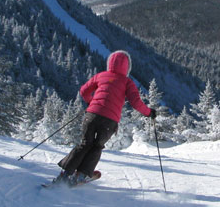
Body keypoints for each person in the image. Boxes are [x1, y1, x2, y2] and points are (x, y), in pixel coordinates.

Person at [53, 50, 156, 185]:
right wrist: (149, 112)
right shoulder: (127, 82)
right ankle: (81, 175)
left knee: (84, 143)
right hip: (109, 120)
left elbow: (84, 91)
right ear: (127, 67)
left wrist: (91, 102)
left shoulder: (101, 76)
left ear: (109, 64)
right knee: (97, 146)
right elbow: (135, 102)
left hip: (91, 115)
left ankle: (65, 175)